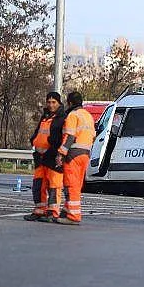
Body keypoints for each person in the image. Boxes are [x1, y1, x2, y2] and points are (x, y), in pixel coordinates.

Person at [24, 92, 66, 222]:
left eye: (54, 102)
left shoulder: (62, 118)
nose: (51, 105)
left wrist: (58, 153)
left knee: (54, 186)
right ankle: (40, 210)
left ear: (59, 103)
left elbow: (62, 138)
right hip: (40, 157)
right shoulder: (45, 116)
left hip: (53, 157)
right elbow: (38, 132)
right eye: (49, 102)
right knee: (38, 185)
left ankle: (53, 212)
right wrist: (33, 141)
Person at [55, 91, 95, 225]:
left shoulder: (73, 115)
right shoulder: (87, 115)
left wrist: (61, 153)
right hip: (86, 153)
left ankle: (73, 216)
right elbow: (93, 136)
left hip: (74, 154)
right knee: (77, 185)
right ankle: (67, 210)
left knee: (71, 185)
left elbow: (70, 137)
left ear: (70, 103)